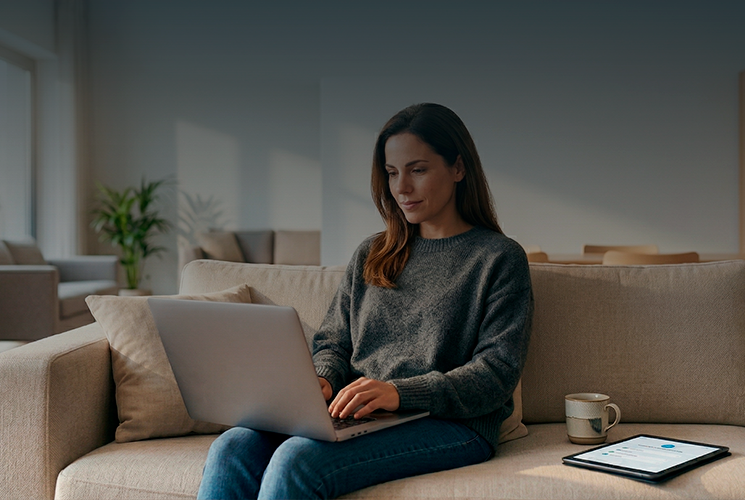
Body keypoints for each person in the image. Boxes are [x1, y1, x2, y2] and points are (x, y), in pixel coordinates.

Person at [197, 103, 534, 500]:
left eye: (418, 170)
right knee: (231, 447)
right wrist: (322, 380)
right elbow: (333, 342)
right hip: (361, 415)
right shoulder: (373, 252)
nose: (401, 188)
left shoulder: (499, 258)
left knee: (297, 461)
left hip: (453, 424)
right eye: (392, 173)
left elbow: (496, 375)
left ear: (458, 168)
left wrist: (398, 392)